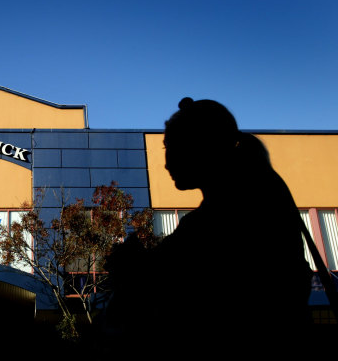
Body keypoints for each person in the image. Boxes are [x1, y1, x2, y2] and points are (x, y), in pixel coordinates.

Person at [105, 97, 313, 352]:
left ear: (200, 146)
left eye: (170, 146)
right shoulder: (260, 197)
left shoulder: (225, 216)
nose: (167, 162)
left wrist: (133, 266)